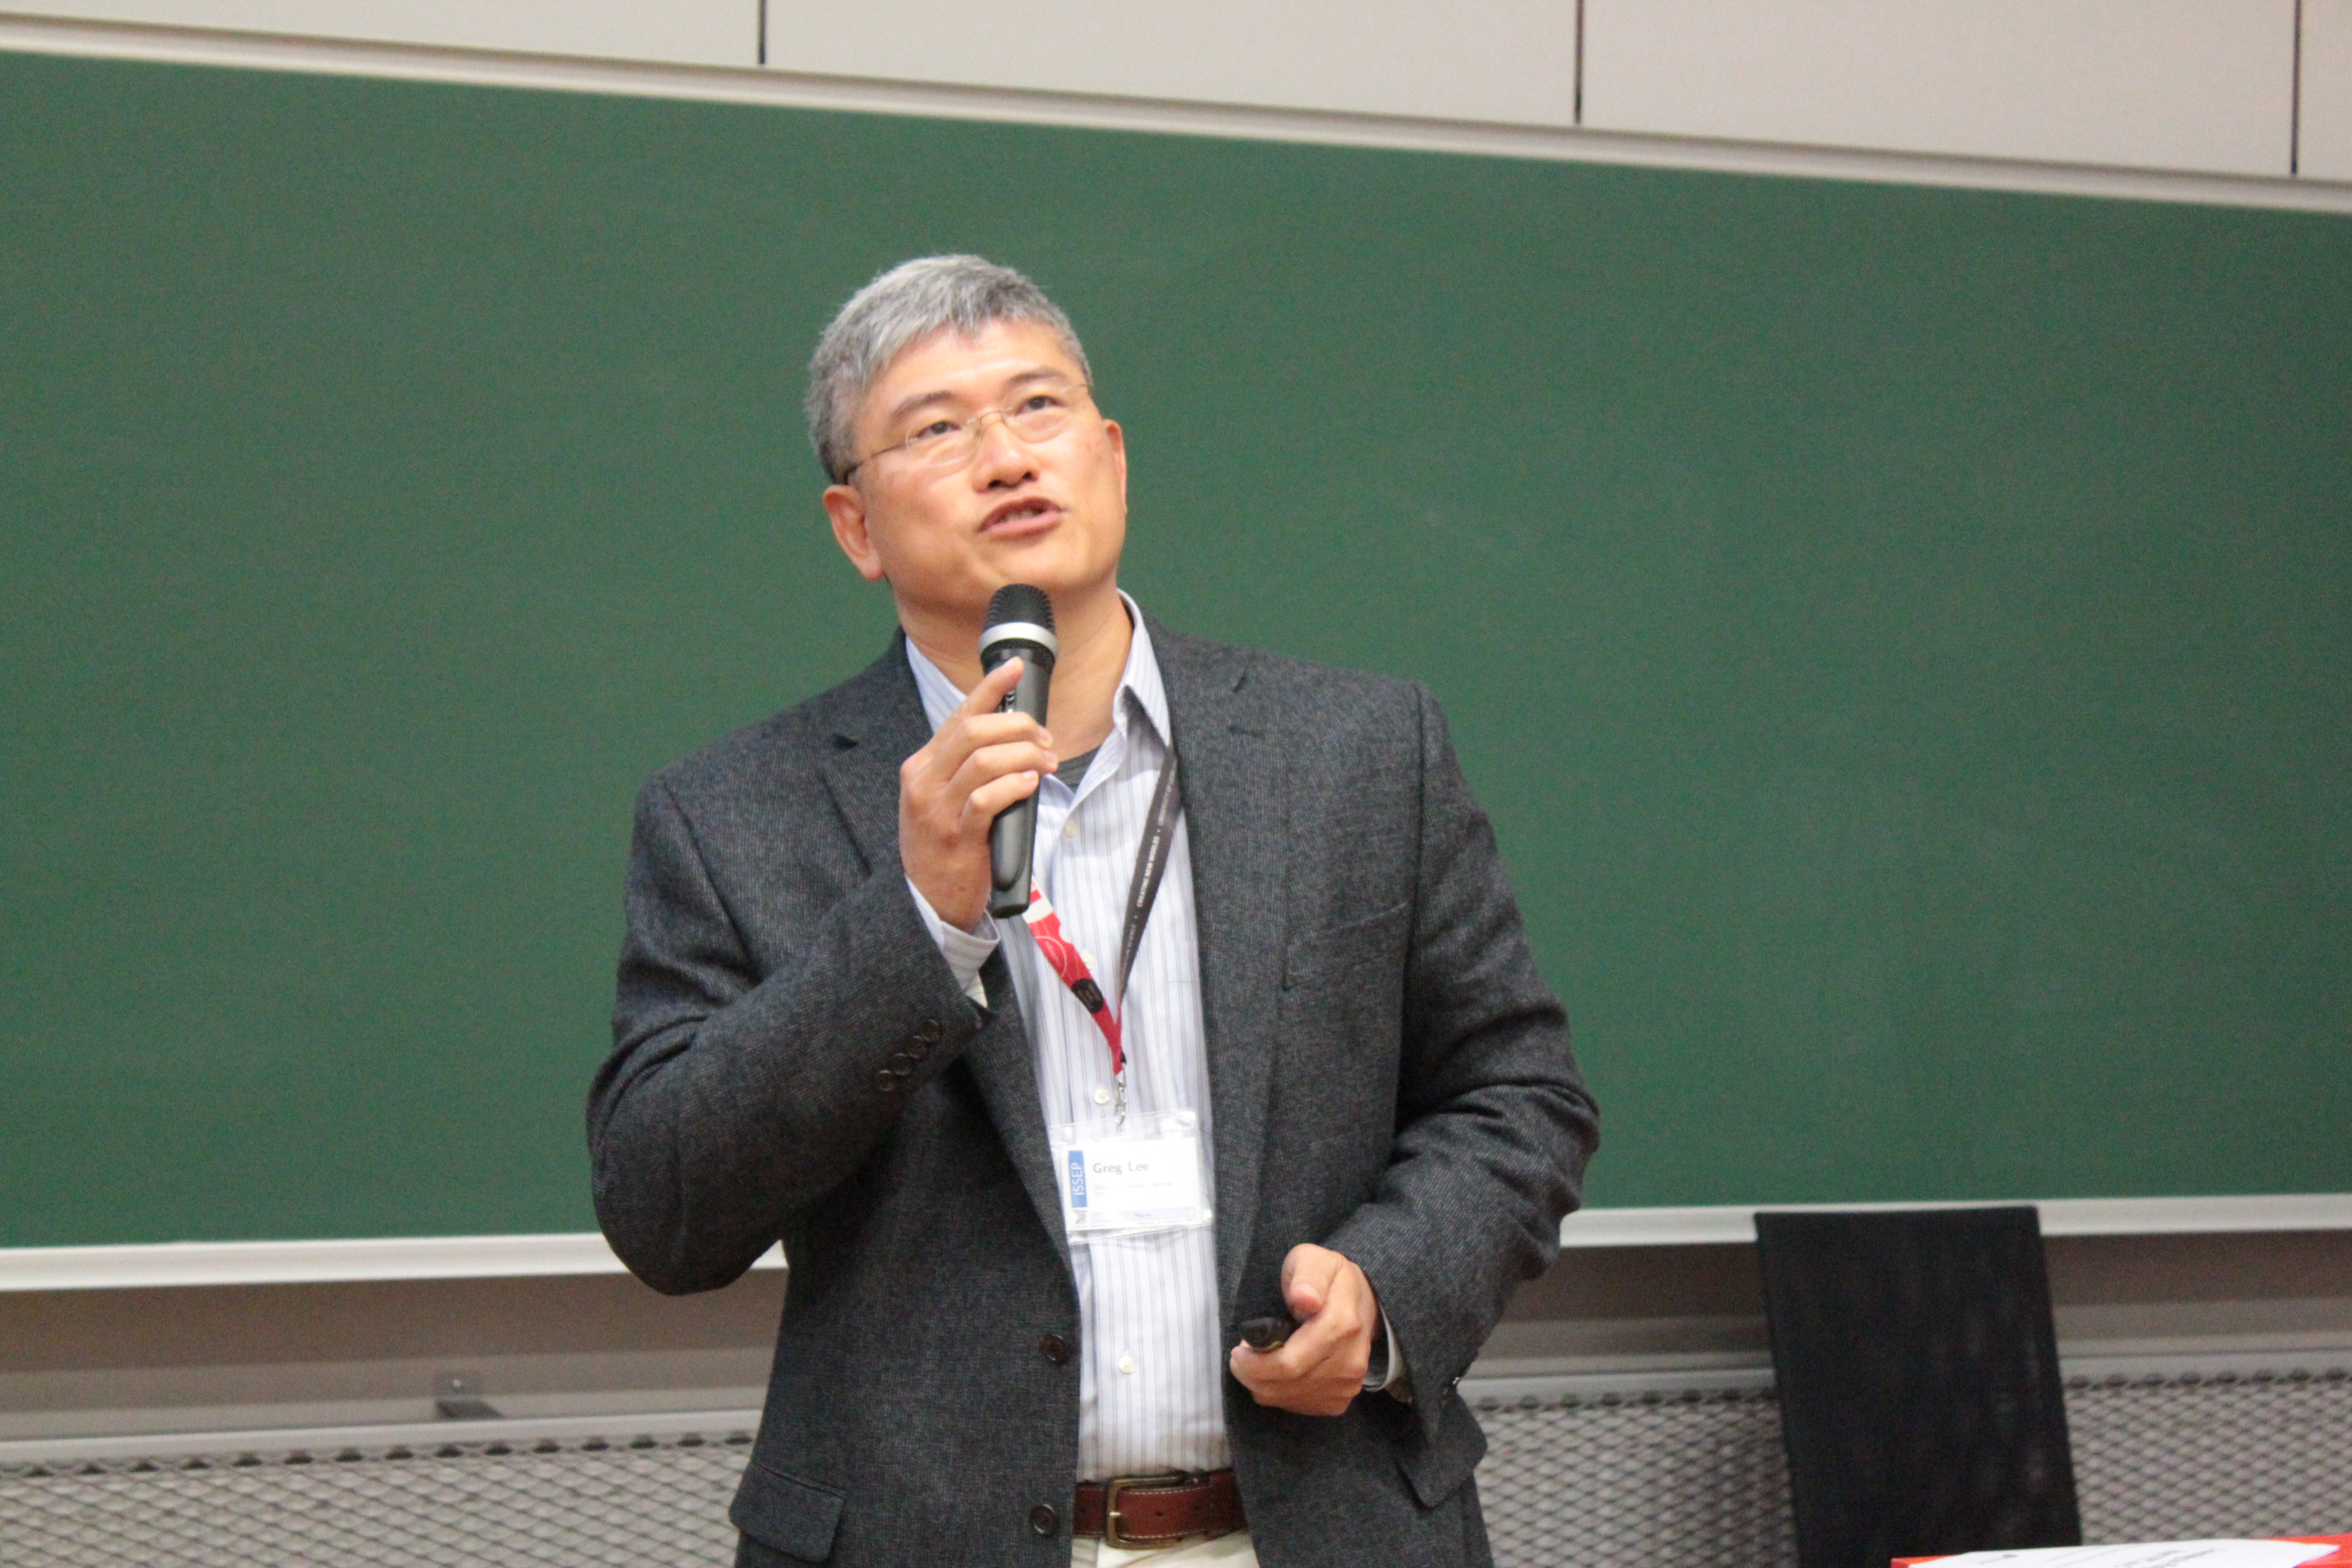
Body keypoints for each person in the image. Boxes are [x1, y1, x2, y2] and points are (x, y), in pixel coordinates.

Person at [589, 255, 1599, 1568]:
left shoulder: (1357, 749)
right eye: (937, 429)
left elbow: (1519, 1093)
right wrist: (919, 923)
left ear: (1111, 458)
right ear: (856, 527)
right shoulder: (733, 813)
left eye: (1039, 406)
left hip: (1320, 1526)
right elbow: (666, 1211)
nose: (1007, 457)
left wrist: (1390, 1290)